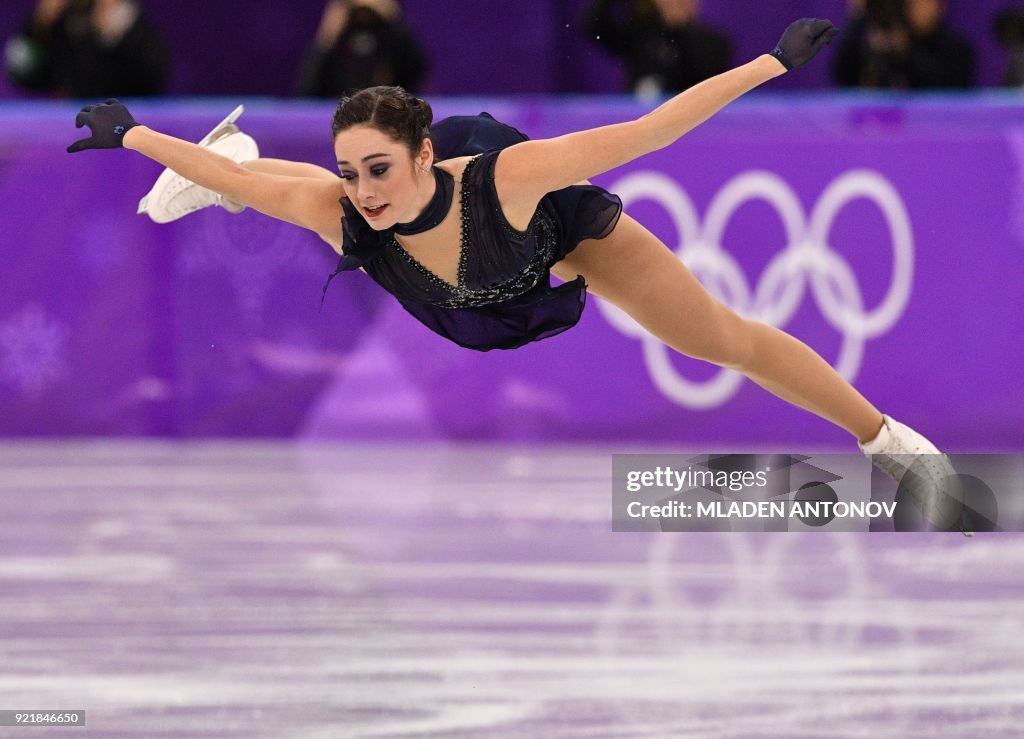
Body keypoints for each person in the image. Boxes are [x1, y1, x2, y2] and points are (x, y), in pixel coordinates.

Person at [65, 19, 970, 534]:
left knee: (722, 338)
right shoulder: (347, 206)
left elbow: (648, 134)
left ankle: (887, 440)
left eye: (380, 168)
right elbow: (247, 182)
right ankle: (227, 151)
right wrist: (135, 133)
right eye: (354, 170)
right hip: (454, 281)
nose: (365, 189)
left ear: (422, 154)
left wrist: (769, 63)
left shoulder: (510, 177)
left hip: (553, 238)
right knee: (269, 189)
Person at [4, 0, 169, 98]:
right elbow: (21, 75)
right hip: (65, 121)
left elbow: (152, 78)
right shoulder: (53, 20)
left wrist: (114, 32)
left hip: (120, 121)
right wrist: (39, 26)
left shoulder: (121, 16)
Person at [581, 0, 731, 97]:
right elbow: (594, 27)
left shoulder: (715, 42)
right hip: (636, 119)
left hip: (689, 124)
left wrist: (678, 29)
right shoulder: (639, 34)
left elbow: (704, 76)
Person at [297, 0, 429, 97]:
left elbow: (417, 73)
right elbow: (306, 91)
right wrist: (326, 39)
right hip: (339, 116)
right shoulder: (339, 34)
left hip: (386, 113)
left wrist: (395, 21)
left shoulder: (390, 34)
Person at [832, 0, 975, 89]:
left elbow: (942, 88)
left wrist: (904, 51)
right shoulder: (872, 41)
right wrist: (857, 19)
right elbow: (843, 76)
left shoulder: (958, 49)